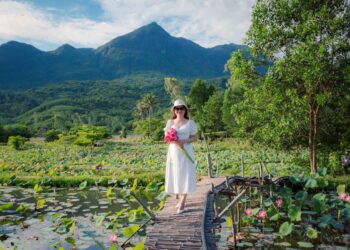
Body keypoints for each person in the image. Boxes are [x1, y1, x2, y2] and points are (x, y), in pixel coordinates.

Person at [164, 99, 198, 214]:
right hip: (174, 152)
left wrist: (185, 141)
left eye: (181, 108)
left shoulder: (190, 123)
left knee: (186, 174)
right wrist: (174, 141)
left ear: (185, 110)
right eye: (177, 108)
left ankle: (183, 202)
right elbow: (167, 138)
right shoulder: (170, 123)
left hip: (186, 150)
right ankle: (178, 199)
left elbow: (194, 137)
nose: (179, 111)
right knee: (176, 174)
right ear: (174, 110)